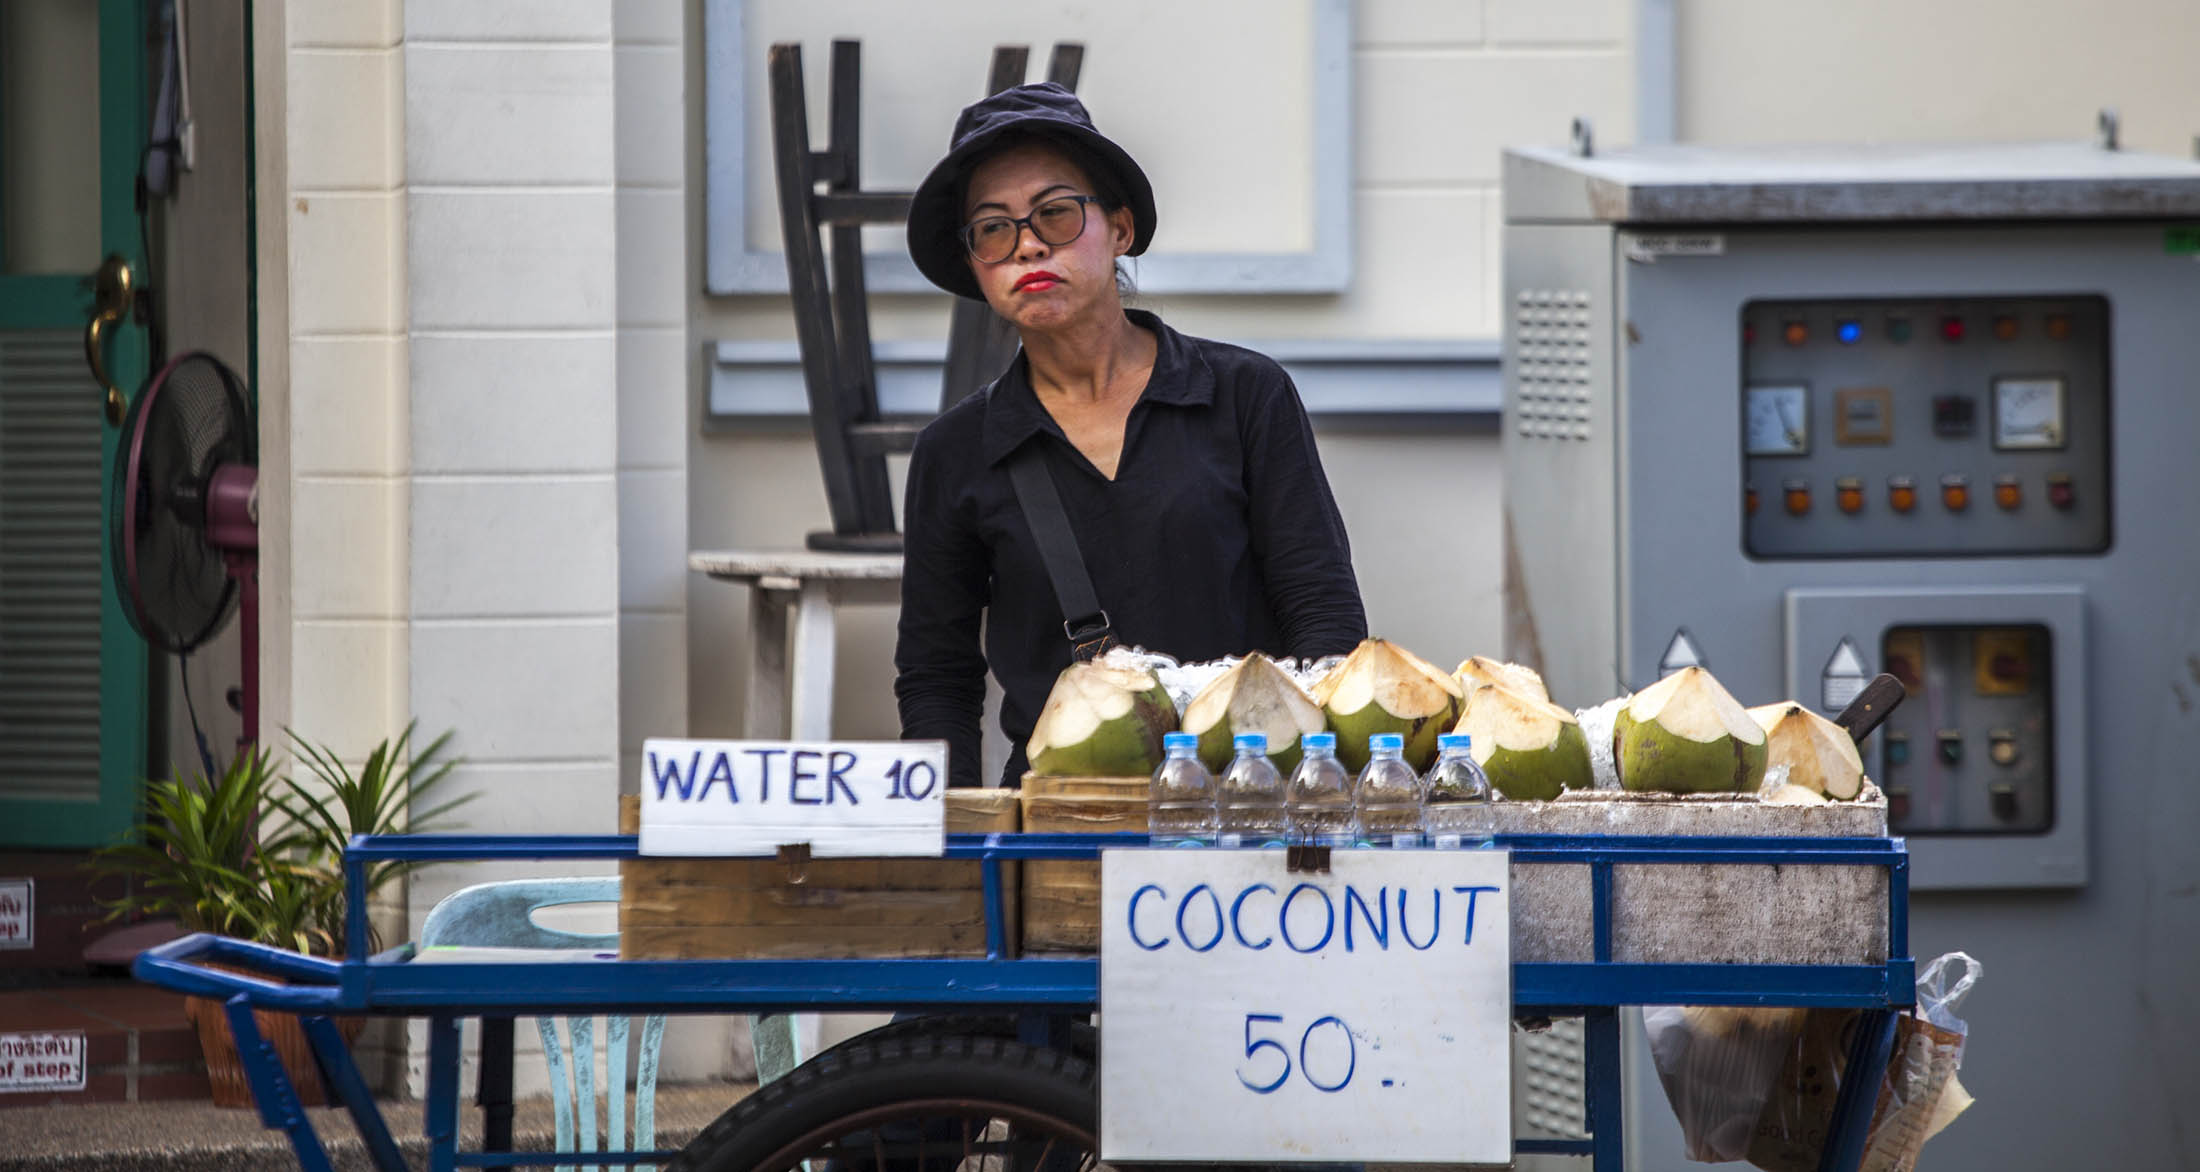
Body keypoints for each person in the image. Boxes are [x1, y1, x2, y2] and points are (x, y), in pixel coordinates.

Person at [896, 83, 1368, 788]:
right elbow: (938, 679)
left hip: (1248, 800)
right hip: (1062, 814)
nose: (1026, 245)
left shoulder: (1244, 394)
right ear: (975, 266)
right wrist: (961, 846)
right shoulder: (955, 452)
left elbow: (1324, 621)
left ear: (1120, 230)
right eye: (992, 229)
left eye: (1055, 214)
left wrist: (1318, 793)